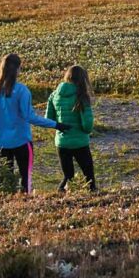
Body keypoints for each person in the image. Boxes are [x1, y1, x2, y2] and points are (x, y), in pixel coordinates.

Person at [0, 52, 60, 195]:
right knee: (26, 179)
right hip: (21, 140)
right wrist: (55, 124)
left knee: (4, 181)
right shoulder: (21, 90)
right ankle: (25, 203)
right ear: (18, 69)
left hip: (0, 141)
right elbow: (29, 116)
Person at [46, 64, 98, 193]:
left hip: (62, 142)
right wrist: (87, 131)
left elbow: (49, 119)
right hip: (80, 142)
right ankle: (94, 198)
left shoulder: (54, 95)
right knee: (89, 177)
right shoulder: (81, 96)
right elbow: (87, 125)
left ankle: (60, 198)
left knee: (68, 176)